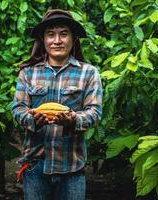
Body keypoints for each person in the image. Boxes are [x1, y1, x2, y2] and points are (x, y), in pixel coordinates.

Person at [12, 9, 102, 200]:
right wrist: (33, 119)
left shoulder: (89, 73)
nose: (57, 41)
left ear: (74, 38)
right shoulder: (28, 73)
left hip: (71, 168)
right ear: (43, 39)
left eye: (63, 34)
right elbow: (18, 109)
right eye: (50, 34)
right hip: (35, 167)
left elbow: (95, 112)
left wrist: (74, 120)